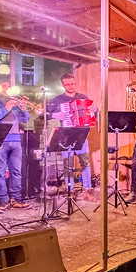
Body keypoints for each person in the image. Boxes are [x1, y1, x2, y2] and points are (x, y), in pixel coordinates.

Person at [46, 73, 98, 202]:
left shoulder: (83, 97)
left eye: (72, 83)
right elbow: (44, 114)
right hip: (66, 134)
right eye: (67, 84)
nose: (71, 86)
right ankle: (71, 190)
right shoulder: (57, 100)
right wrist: (55, 115)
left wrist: (95, 110)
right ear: (63, 85)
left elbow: (91, 114)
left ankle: (87, 191)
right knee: (68, 164)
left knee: (85, 162)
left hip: (81, 133)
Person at [0, 81, 31, 212]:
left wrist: (24, 109)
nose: (7, 89)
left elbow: (25, 119)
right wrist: (6, 108)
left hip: (16, 140)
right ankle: (3, 201)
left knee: (16, 172)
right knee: (0, 172)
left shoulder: (13, 102)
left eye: (9, 86)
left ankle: (16, 199)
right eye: (4, 86)